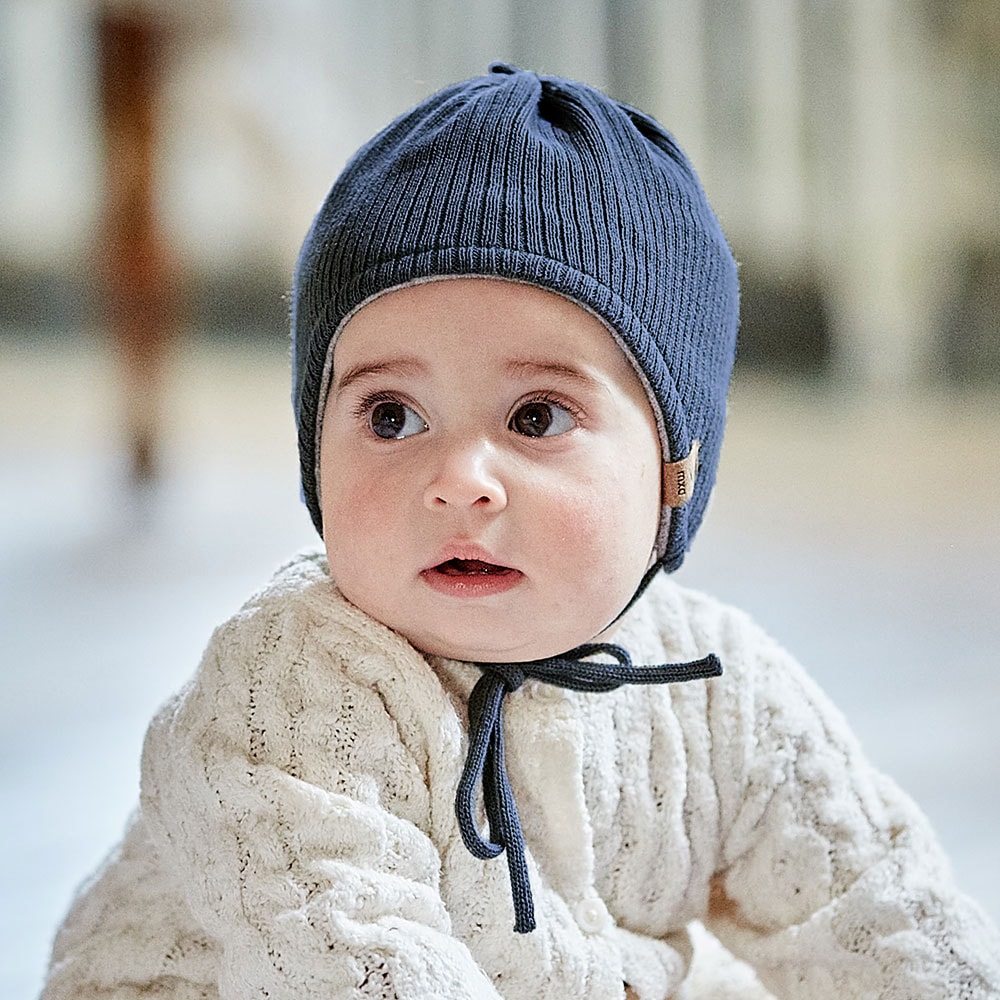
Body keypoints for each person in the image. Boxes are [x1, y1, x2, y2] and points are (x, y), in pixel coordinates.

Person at [41, 63, 1000, 1000]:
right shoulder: (283, 693)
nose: (459, 483)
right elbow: (356, 964)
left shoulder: (721, 690)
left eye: (536, 417)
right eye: (390, 417)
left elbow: (881, 908)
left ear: (677, 470)